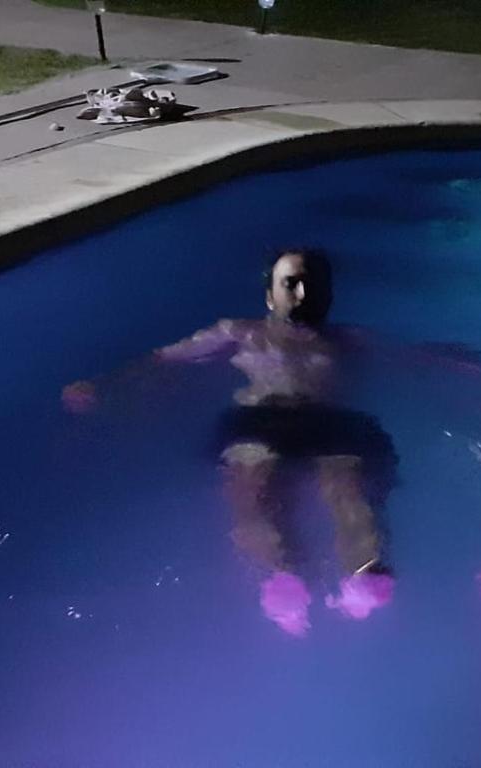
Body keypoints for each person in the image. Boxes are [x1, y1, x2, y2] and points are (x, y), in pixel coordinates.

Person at [66, 249, 396, 636]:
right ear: (270, 296)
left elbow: (417, 357)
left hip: (325, 419)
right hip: (259, 418)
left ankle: (364, 574)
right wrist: (104, 384)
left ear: (329, 295)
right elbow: (162, 359)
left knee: (346, 487)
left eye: (313, 284)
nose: (303, 292)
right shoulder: (239, 331)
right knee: (249, 489)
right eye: (291, 283)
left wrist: (458, 363)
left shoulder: (347, 339)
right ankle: (279, 581)